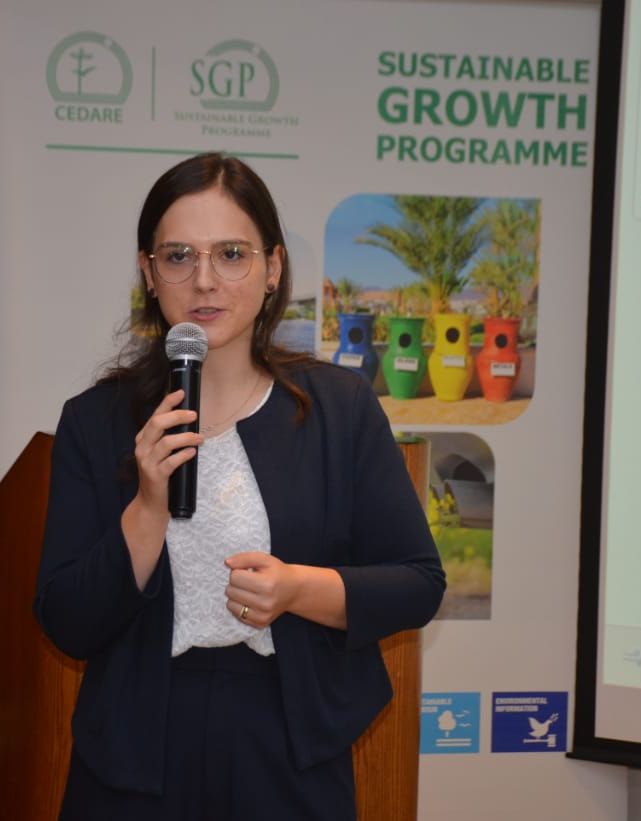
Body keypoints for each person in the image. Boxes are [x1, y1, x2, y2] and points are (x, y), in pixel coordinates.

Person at [34, 152, 446, 820]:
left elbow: (418, 582)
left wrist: (297, 589)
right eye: (178, 256)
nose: (205, 280)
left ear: (272, 267)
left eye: (231, 254)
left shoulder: (339, 408)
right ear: (148, 272)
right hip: (135, 748)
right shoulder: (96, 421)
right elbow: (68, 623)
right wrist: (148, 506)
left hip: (286, 743)